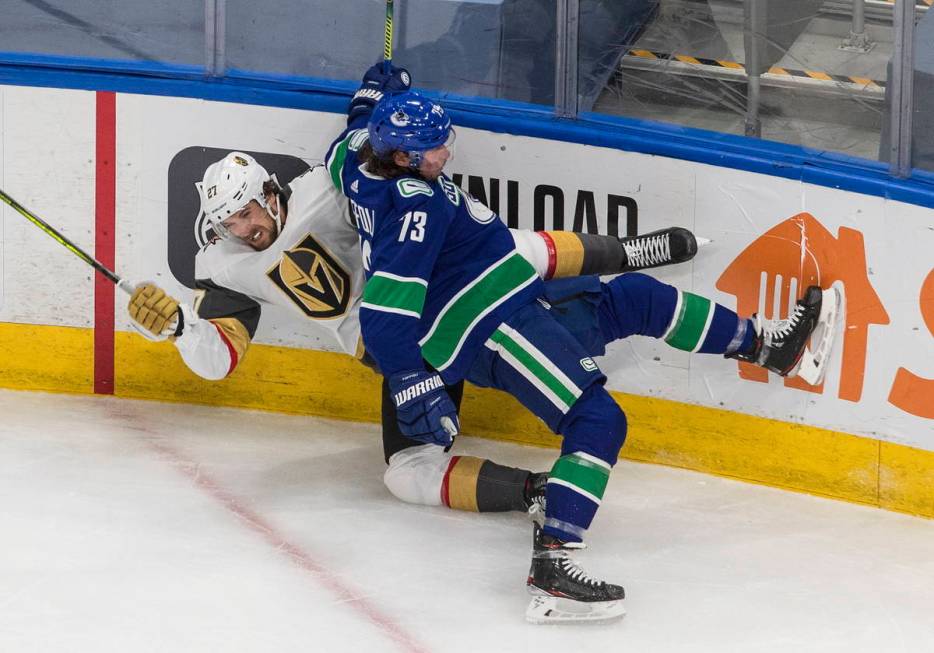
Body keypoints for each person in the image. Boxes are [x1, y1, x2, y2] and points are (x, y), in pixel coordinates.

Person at [324, 65, 840, 623]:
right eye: (431, 148)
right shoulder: (415, 210)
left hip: (515, 296)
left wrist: (375, 94)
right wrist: (406, 377)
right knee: (598, 421)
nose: (445, 153)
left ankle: (771, 348)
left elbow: (347, 136)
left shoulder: (355, 157)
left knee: (637, 297)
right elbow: (384, 310)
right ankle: (553, 569)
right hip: (490, 325)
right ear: (402, 158)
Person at [126, 130, 697, 516]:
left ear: (270, 196)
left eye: (247, 213)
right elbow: (219, 361)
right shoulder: (225, 265)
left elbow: (368, 149)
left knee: (518, 251)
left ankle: (623, 252)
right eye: (228, 222)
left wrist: (376, 102)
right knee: (407, 475)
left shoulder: (322, 189)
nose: (243, 229)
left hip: (438, 300)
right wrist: (182, 329)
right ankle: (539, 495)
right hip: (403, 359)